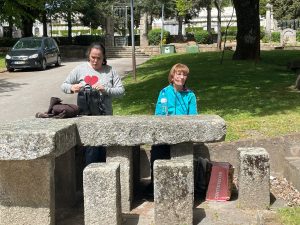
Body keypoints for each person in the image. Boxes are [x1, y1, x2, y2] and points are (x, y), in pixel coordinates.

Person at [61, 42, 125, 165]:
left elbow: (121, 91)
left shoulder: (110, 71)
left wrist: (105, 90)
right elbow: (64, 85)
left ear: (104, 57)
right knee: (91, 153)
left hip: (106, 118)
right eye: (93, 57)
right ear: (88, 56)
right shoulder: (80, 69)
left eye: (99, 58)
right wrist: (72, 88)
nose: (95, 61)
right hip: (87, 119)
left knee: (104, 152)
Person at [148, 63, 198, 194]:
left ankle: (182, 188)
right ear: (172, 76)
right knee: (157, 149)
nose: (181, 77)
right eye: (178, 74)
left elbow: (193, 116)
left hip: (183, 132)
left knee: (182, 150)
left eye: (184, 74)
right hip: (165, 130)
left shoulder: (190, 95)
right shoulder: (164, 92)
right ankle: (156, 186)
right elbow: (158, 114)